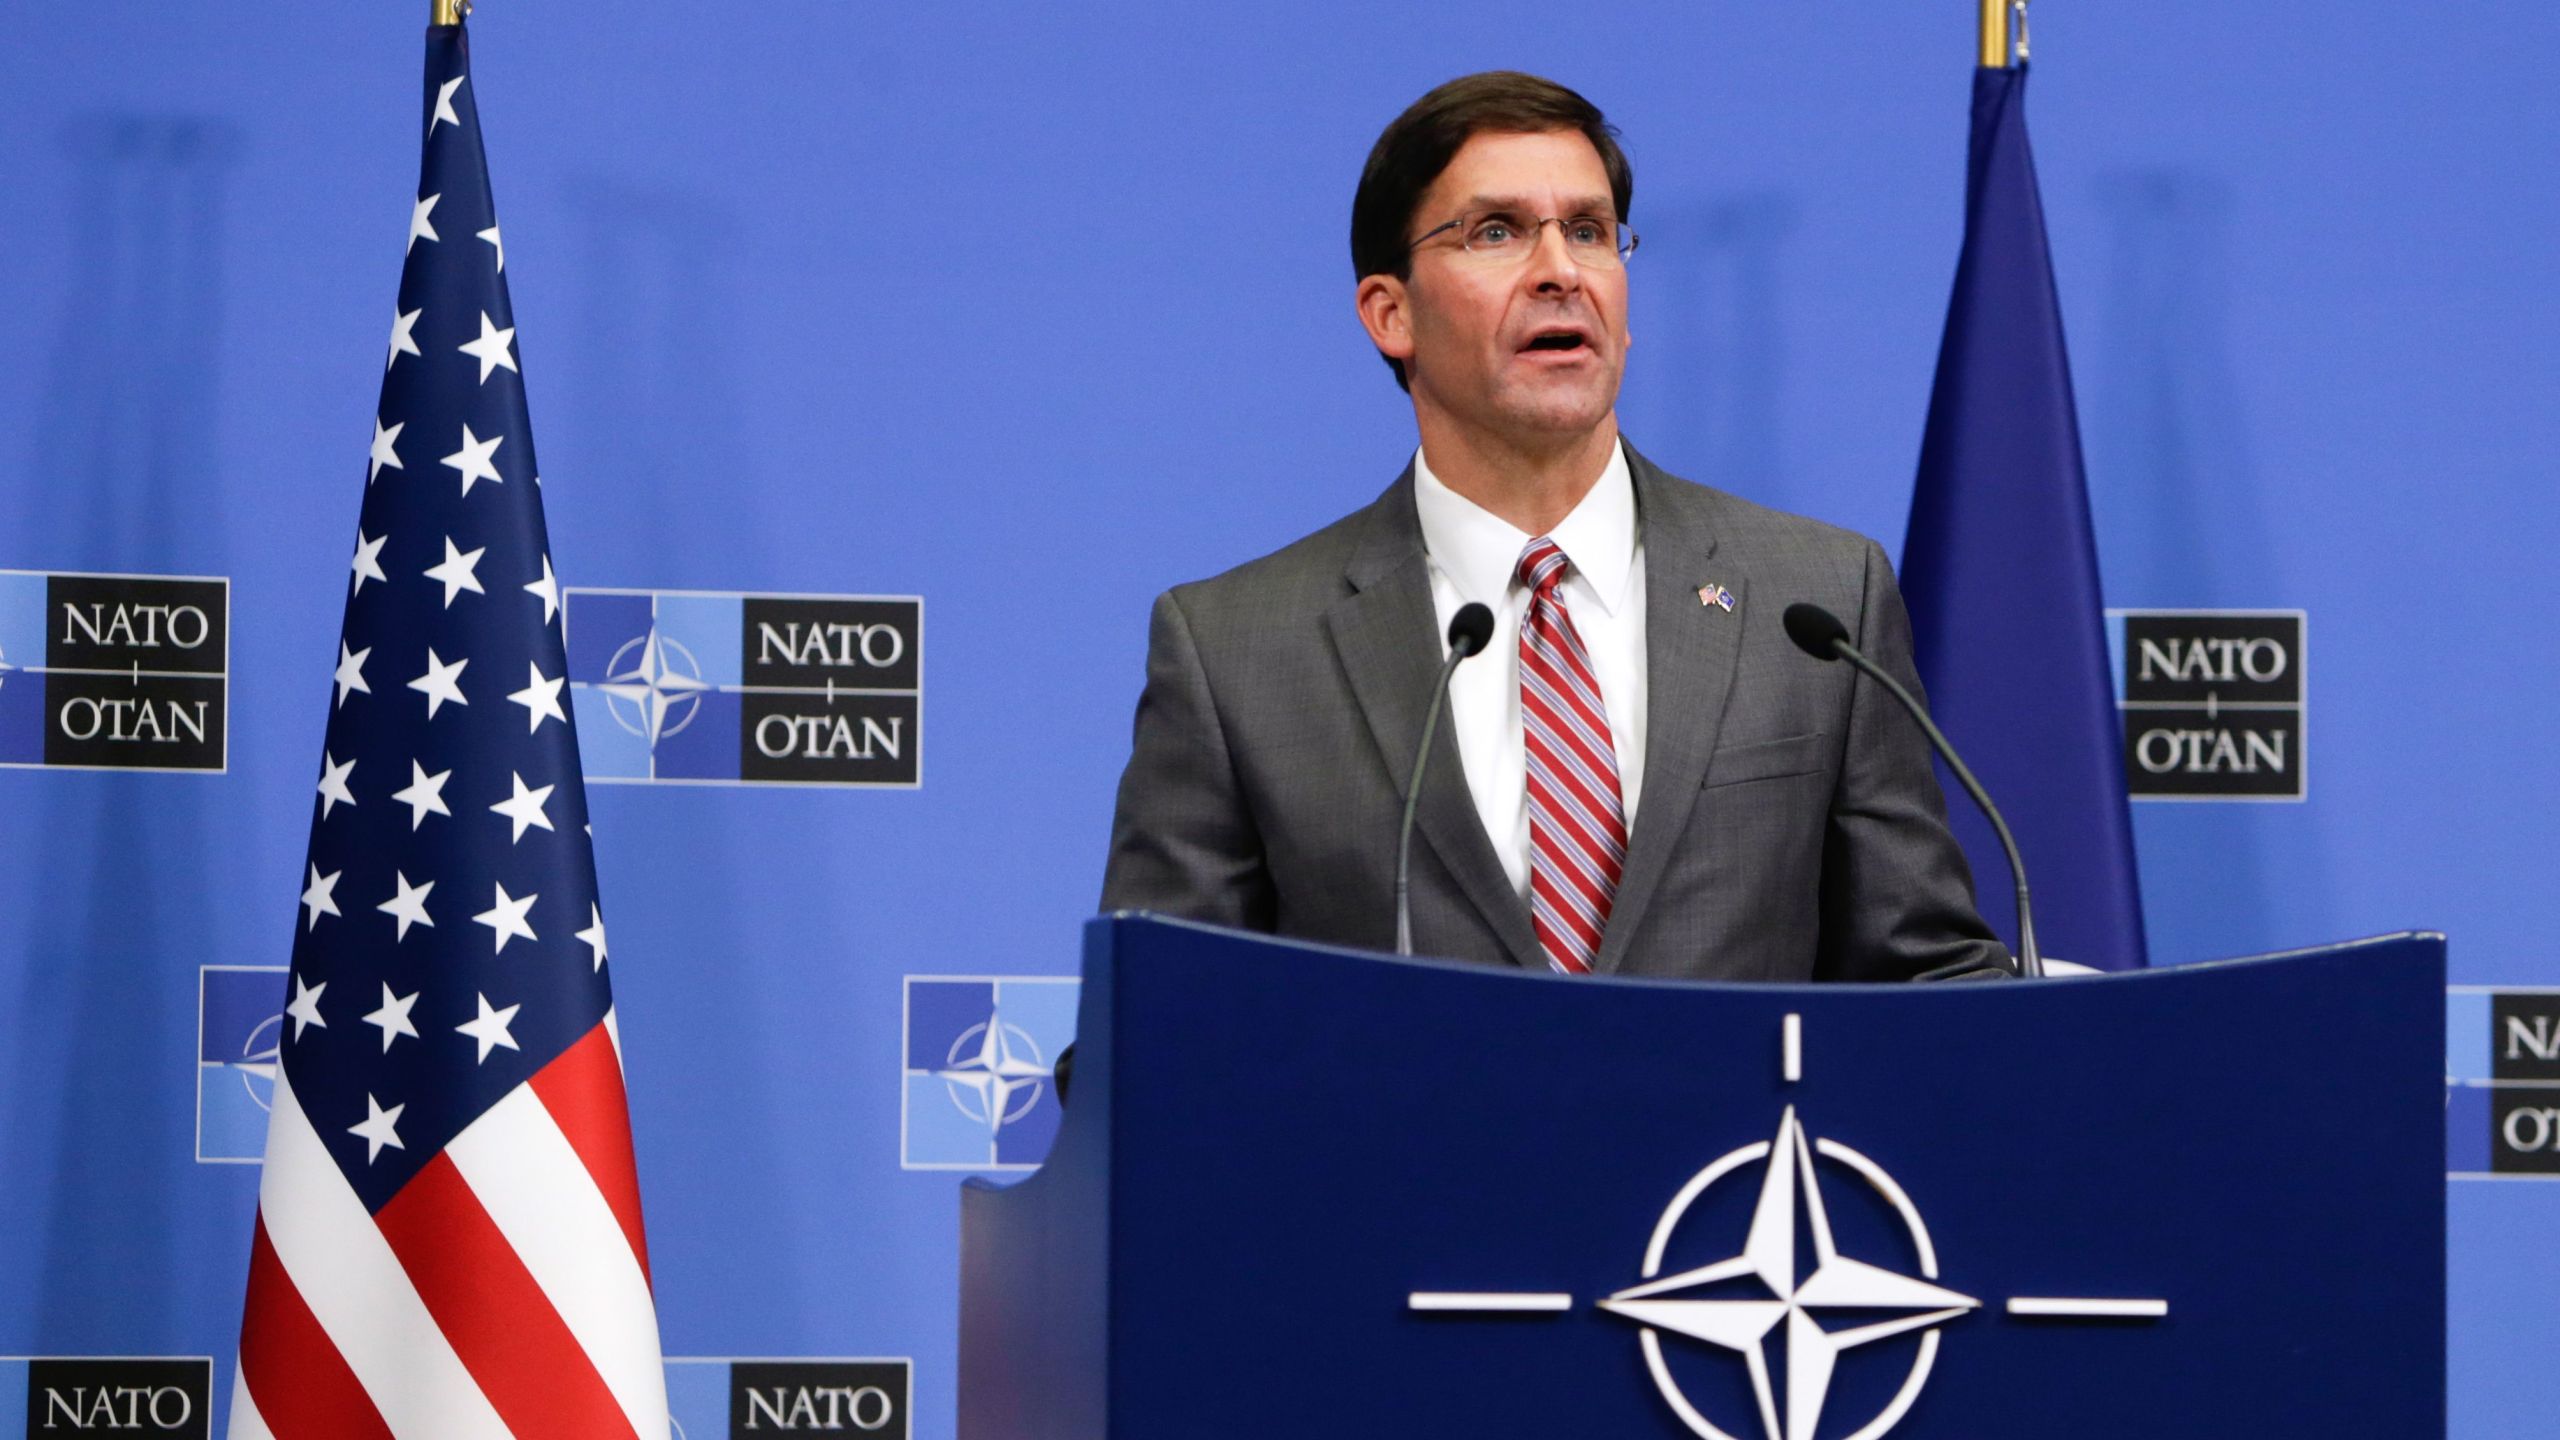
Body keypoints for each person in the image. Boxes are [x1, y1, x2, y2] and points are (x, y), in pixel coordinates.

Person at [1100, 71, 2008, 982]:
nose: (1560, 271)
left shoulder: (1814, 603)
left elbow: (1926, 980)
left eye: (1588, 231)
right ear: (1391, 312)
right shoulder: (1238, 653)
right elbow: (1148, 1037)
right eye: (1495, 232)